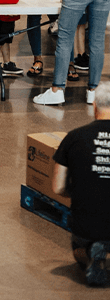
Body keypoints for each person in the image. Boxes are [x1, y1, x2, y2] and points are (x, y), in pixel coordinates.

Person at [52, 80, 110, 286]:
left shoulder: (74, 137)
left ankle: (88, 253)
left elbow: (57, 187)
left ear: (94, 105)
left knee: (80, 248)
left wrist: (83, 189)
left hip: (86, 225)